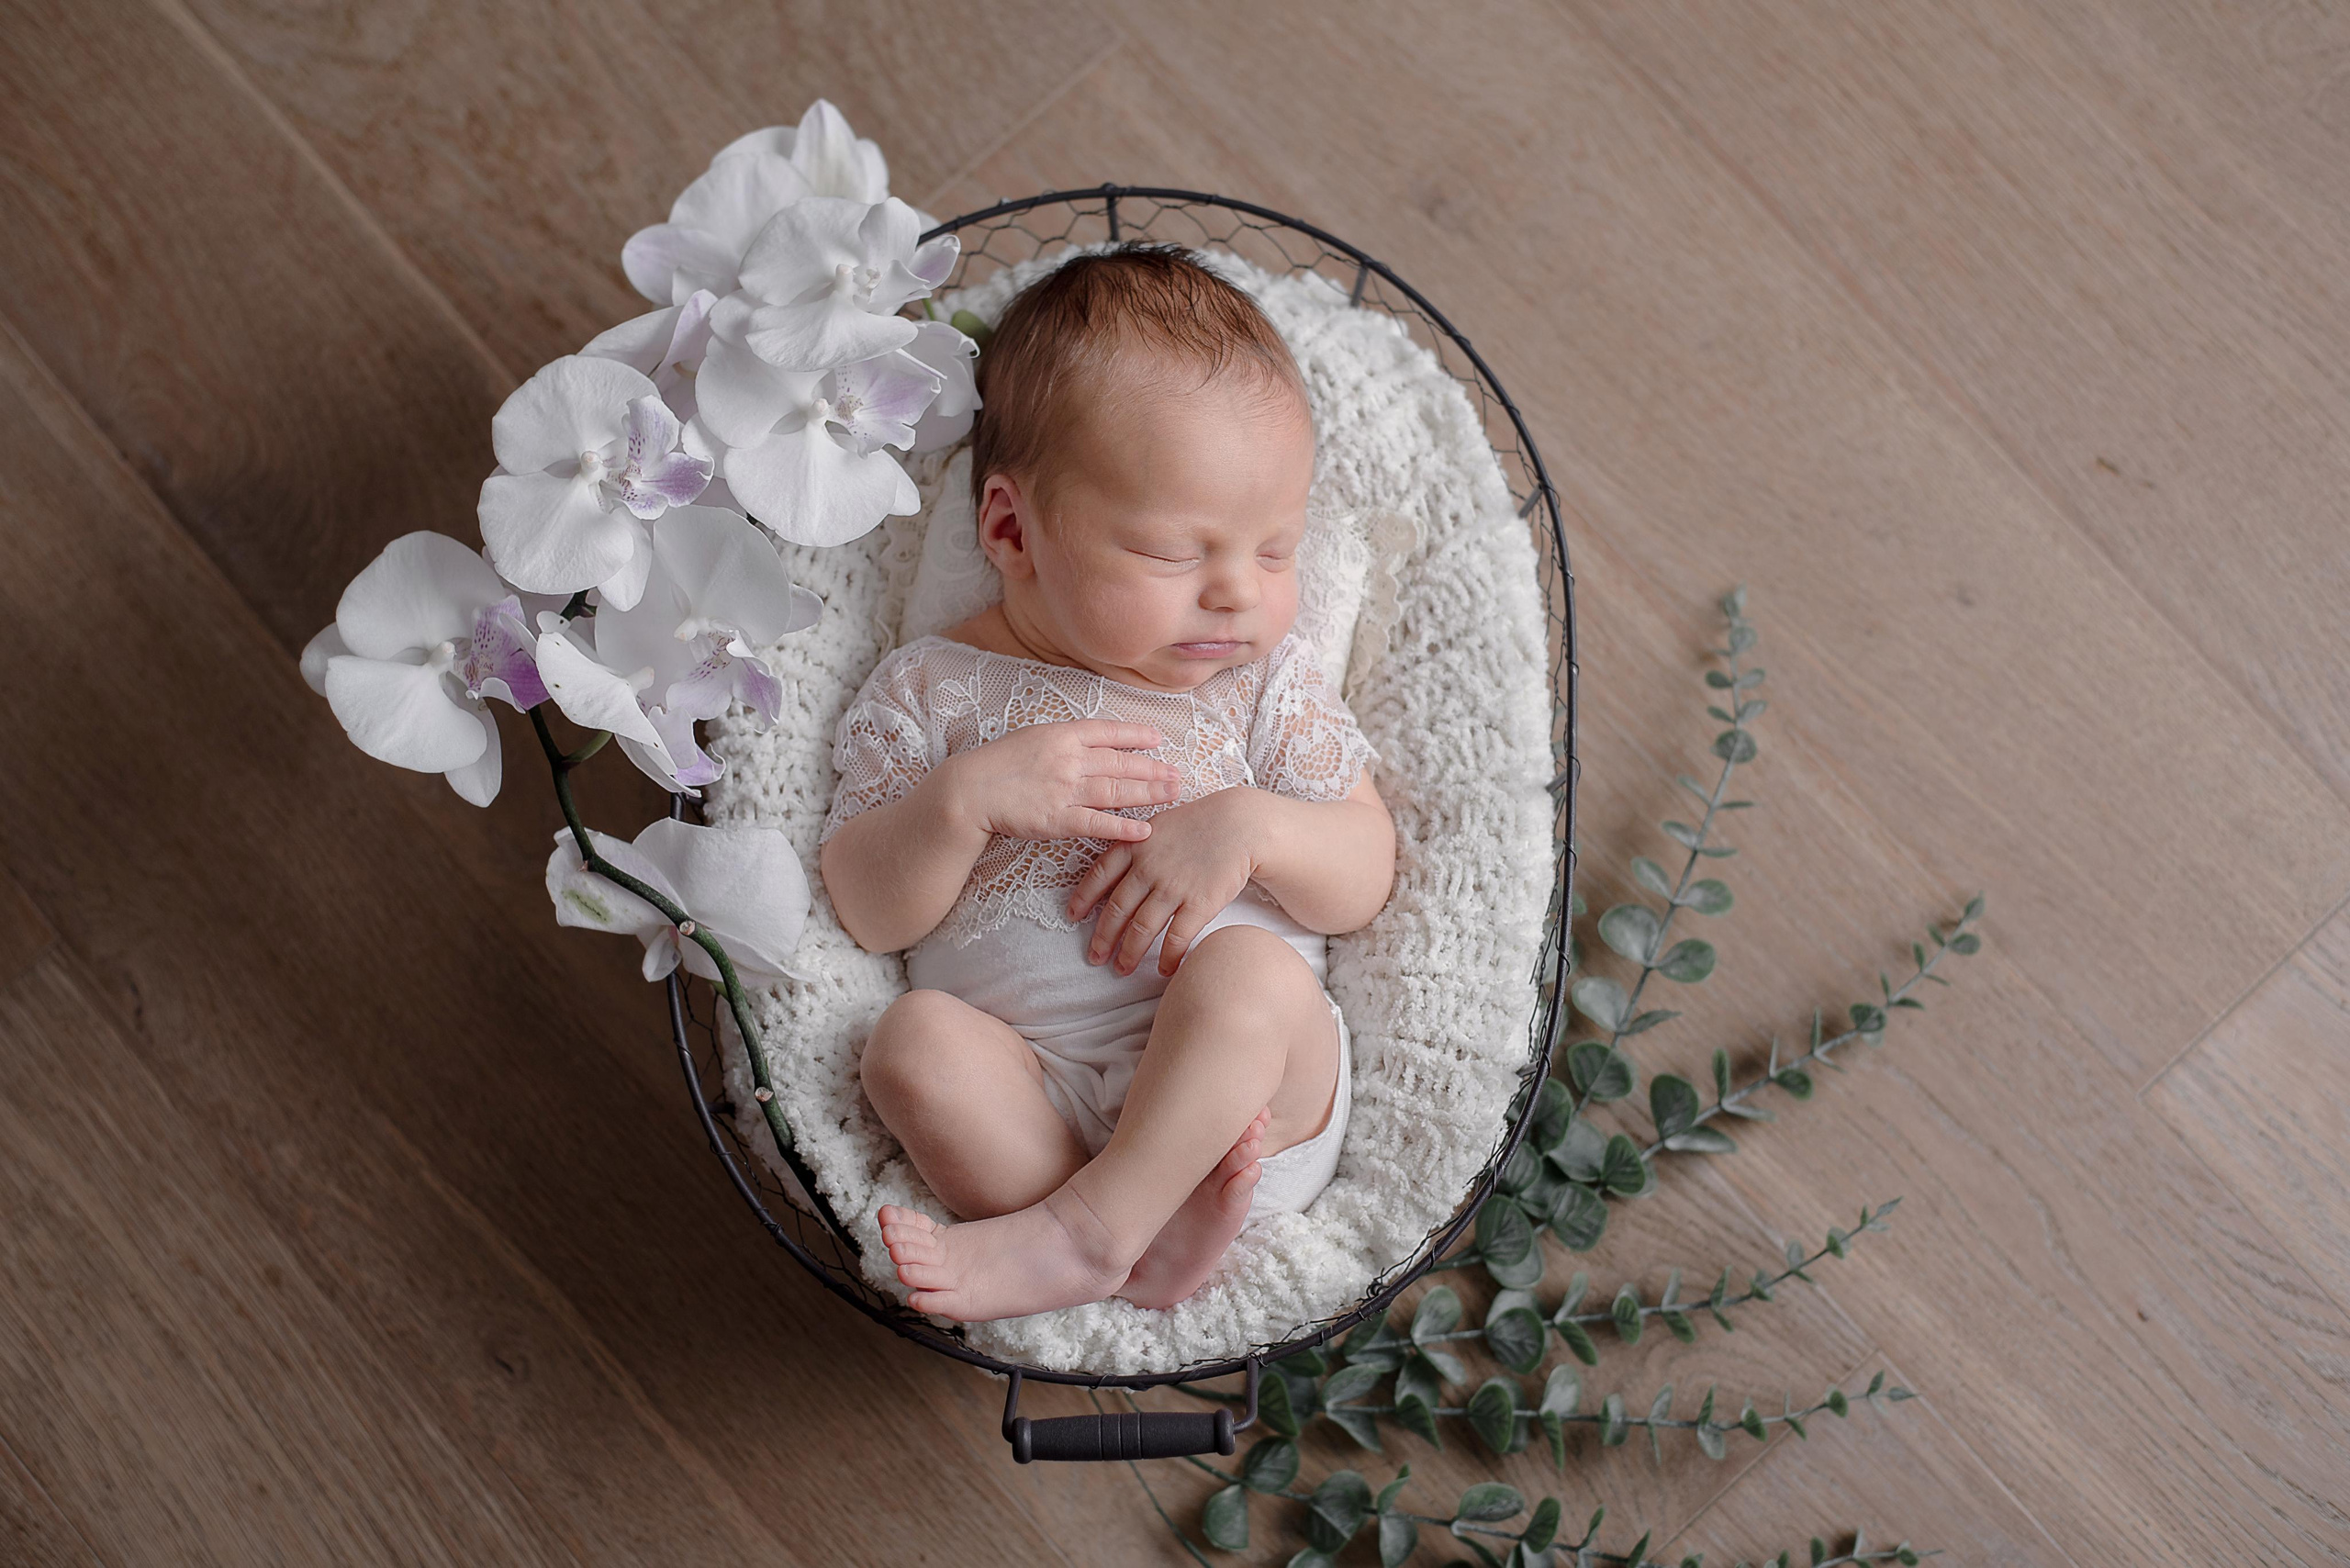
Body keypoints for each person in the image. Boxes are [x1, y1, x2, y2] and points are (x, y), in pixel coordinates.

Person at [817, 243, 1395, 1322]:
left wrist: (1251, 829)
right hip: (1037, 1101)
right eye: (1177, 554)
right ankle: (1124, 1241)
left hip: (1245, 1108)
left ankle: (1091, 1231)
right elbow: (863, 904)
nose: (1237, 595)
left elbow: (1364, 872)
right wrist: (959, 804)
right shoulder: (932, 687)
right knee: (909, 1047)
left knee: (1251, 976)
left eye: (1275, 551)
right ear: (1011, 530)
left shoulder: (1256, 686)